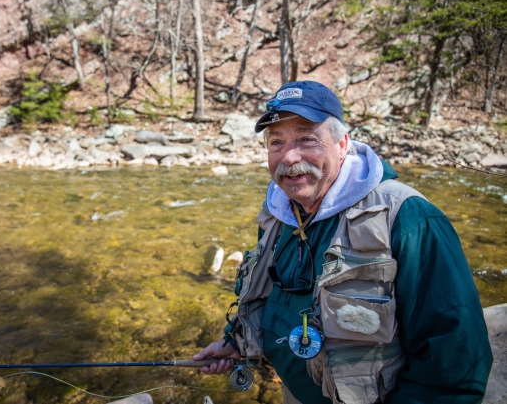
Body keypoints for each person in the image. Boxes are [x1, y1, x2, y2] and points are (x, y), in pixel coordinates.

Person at [194, 80, 493, 404]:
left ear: (342, 144)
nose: (289, 157)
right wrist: (236, 343)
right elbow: (267, 294)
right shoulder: (278, 211)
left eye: (306, 139)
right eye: (277, 142)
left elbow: (454, 367)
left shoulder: (409, 219)